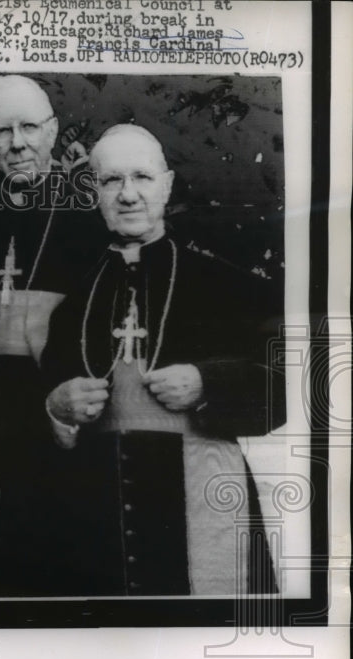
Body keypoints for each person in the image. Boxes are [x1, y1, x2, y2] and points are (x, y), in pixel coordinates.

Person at [41, 124, 283, 596]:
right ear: (94, 192)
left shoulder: (225, 285)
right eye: (112, 181)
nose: (128, 195)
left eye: (142, 178)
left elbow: (282, 391)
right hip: (100, 508)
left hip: (203, 496)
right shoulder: (76, 303)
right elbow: (46, 401)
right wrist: (57, 407)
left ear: (167, 185)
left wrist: (207, 381)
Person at [0, 75, 107, 597]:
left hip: (64, 444)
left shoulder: (91, 223)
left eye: (29, 128)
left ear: (54, 130)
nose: (17, 143)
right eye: (1, 132)